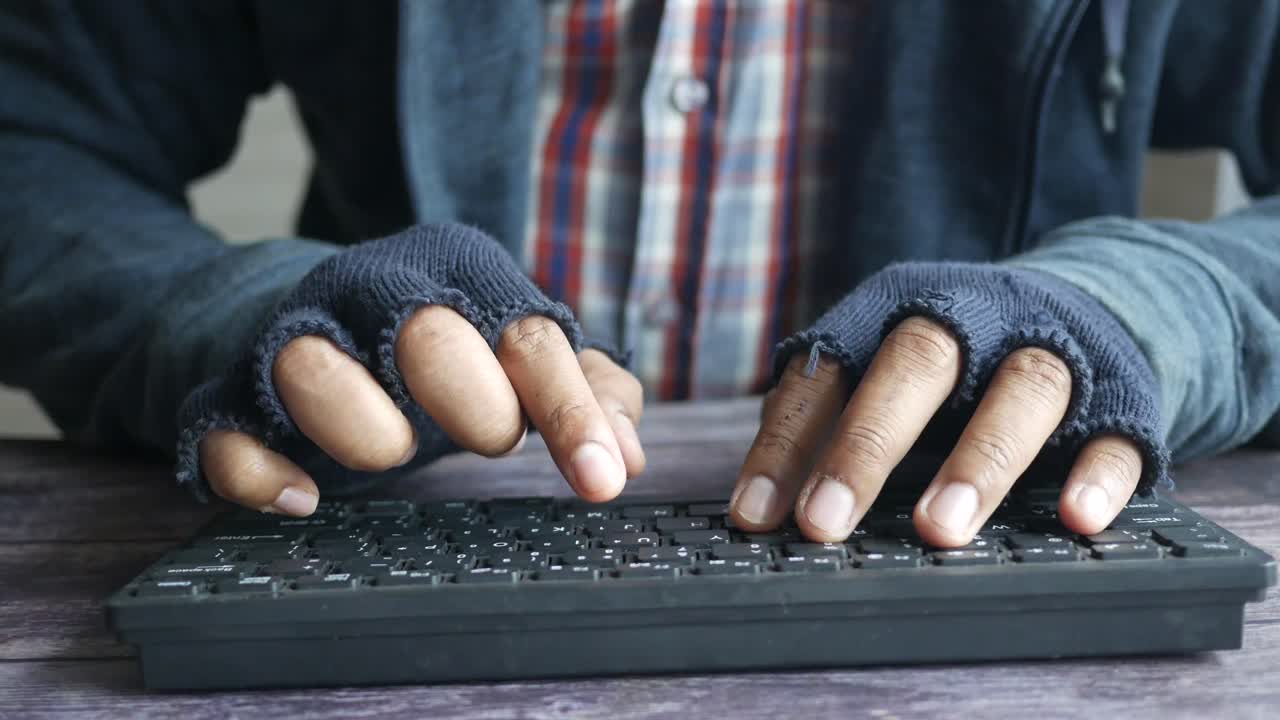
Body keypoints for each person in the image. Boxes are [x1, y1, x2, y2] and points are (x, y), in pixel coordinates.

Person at [1, 1, 1276, 550]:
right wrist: (235, 317)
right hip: (399, 556)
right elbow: (37, 131)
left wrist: (1144, 311)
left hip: (970, 579)